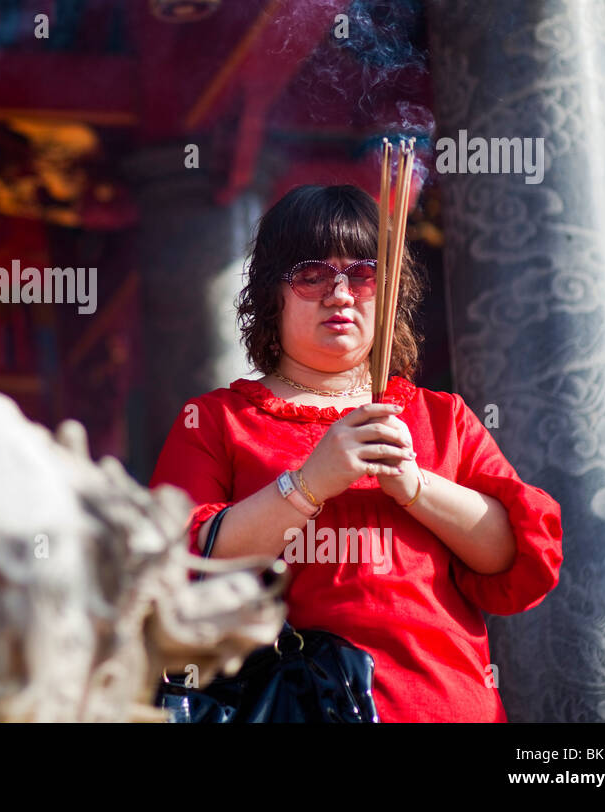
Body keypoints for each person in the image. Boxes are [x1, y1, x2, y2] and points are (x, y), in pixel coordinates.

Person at [149, 183, 563, 722]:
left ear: (388, 290)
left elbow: (514, 555)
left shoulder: (443, 417)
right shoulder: (217, 421)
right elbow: (179, 563)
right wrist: (306, 486)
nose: (340, 293)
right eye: (312, 275)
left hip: (449, 706)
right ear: (271, 296)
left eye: (363, 273)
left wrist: (417, 487)